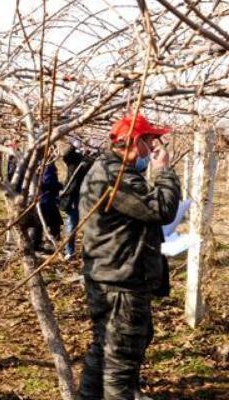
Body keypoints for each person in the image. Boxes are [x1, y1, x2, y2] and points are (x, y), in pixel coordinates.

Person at [78, 114, 180, 400]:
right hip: (121, 281)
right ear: (136, 142)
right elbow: (161, 209)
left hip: (114, 274)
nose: (154, 147)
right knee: (120, 361)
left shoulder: (110, 170)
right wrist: (164, 173)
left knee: (108, 348)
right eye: (150, 141)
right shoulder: (115, 176)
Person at [60, 140, 93, 260]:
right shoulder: (73, 158)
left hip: (86, 197)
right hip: (73, 197)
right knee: (71, 224)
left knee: (88, 225)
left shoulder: (90, 160)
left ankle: (87, 252)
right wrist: (74, 145)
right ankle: (70, 251)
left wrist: (92, 151)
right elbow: (66, 155)